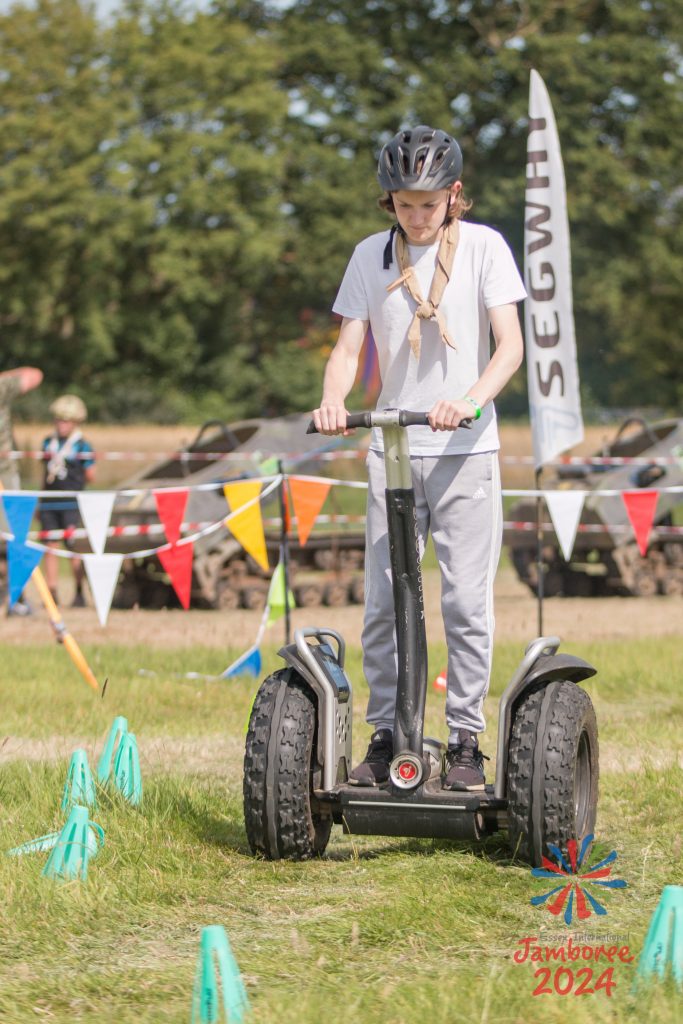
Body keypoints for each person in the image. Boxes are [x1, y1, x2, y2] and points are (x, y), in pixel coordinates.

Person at [312, 125, 526, 791]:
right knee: (382, 602)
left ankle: (464, 740)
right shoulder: (369, 258)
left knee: (464, 600)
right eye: (404, 203)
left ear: (453, 196)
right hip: (393, 447)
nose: (417, 215)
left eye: (428, 203)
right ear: (389, 203)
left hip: (465, 450)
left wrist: (468, 400)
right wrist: (330, 401)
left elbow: (509, 347)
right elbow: (349, 350)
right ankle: (385, 737)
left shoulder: (486, 248)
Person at [38, 394, 95, 607]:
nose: (62, 424)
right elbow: (44, 475)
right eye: (59, 419)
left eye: (66, 420)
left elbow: (91, 475)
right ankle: (51, 593)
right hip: (49, 502)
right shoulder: (47, 443)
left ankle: (79, 592)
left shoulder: (82, 446)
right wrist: (39, 502)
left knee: (74, 548)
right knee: (50, 547)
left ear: (75, 422)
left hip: (72, 503)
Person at [0, 366, 44, 616]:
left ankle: (16, 598)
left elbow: (35, 374)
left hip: (5, 475)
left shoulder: (2, 388)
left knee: (14, 539)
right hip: (6, 474)